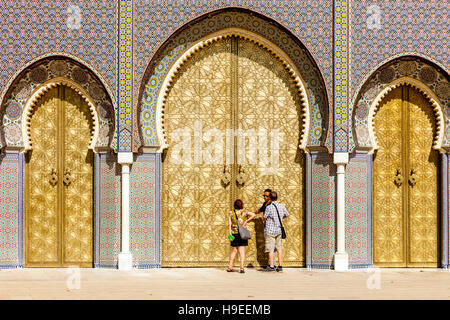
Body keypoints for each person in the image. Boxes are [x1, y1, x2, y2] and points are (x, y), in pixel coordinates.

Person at [263, 191, 289, 272]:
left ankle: (271, 266)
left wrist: (265, 221)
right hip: (278, 230)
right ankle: (280, 266)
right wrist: (280, 218)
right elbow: (287, 214)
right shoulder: (281, 206)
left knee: (270, 249)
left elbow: (264, 217)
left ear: (270, 198)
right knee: (279, 248)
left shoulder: (269, 207)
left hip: (270, 230)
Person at [227, 199, 255, 273]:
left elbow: (229, 224)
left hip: (234, 234)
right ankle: (242, 268)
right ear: (241, 205)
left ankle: (230, 267)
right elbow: (253, 214)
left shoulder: (231, 213)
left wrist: (230, 234)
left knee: (234, 251)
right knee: (242, 252)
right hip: (242, 234)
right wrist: (246, 221)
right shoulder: (244, 212)